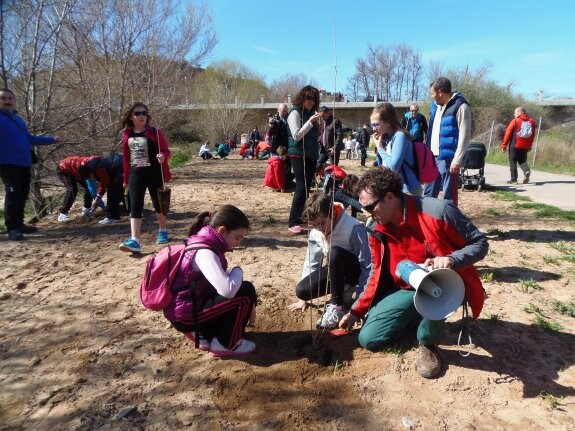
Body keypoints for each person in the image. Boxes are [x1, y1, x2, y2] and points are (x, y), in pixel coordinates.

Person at [339, 168, 488, 379]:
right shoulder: (376, 227)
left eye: (370, 207)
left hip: (446, 282)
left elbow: (480, 243)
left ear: (390, 197)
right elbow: (375, 272)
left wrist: (452, 259)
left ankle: (428, 342)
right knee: (369, 339)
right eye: (363, 208)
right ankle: (418, 314)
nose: (367, 213)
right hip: (407, 289)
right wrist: (356, 311)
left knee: (440, 289)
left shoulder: (439, 211)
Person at [163, 205, 257, 356]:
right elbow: (228, 290)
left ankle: (205, 334)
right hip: (185, 316)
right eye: (237, 237)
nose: (238, 243)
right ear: (222, 231)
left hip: (191, 306)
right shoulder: (205, 252)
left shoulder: (206, 243)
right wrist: (238, 270)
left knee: (243, 290)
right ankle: (226, 344)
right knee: (244, 292)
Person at [288, 192, 372, 329]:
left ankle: (338, 306)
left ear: (332, 213)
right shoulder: (316, 232)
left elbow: (367, 266)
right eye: (314, 225)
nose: (320, 228)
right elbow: (312, 261)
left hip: (354, 274)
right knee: (302, 291)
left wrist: (359, 303)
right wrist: (304, 299)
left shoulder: (353, 228)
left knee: (335, 252)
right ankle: (342, 291)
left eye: (322, 223)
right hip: (336, 272)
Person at [0, 88, 61, 240]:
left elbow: (30, 139)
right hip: (7, 163)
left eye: (10, 98)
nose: (8, 100)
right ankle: (12, 228)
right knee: (13, 193)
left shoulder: (18, 119)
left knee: (22, 193)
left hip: (24, 162)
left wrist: (51, 139)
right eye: (3, 98)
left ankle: (19, 223)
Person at [119, 102, 171, 254]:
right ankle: (135, 240)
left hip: (154, 172)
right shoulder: (127, 135)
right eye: (138, 113)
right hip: (136, 173)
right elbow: (126, 159)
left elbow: (166, 151)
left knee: (159, 204)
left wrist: (163, 157)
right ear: (131, 116)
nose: (141, 116)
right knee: (135, 205)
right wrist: (125, 179)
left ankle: (162, 230)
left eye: (144, 113)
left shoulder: (156, 133)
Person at [423, 77, 472, 207]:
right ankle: (428, 223)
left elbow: (465, 134)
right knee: (428, 194)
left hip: (449, 158)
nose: (432, 96)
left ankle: (450, 224)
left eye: (432, 93)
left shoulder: (461, 106)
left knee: (449, 196)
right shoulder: (435, 106)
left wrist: (457, 159)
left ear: (440, 92)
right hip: (432, 156)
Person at [286, 85, 322, 235]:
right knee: (301, 187)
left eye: (314, 99)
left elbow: (314, 138)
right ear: (302, 97)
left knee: (307, 188)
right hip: (298, 154)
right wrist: (310, 123)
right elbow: (297, 135)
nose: (311, 102)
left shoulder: (310, 114)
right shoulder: (295, 113)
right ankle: (293, 221)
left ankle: (300, 218)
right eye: (308, 98)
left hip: (310, 155)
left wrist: (318, 129)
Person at [371, 102, 422, 196]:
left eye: (377, 124)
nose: (374, 128)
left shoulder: (400, 136)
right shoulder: (386, 138)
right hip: (395, 189)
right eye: (372, 124)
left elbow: (394, 167)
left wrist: (380, 148)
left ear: (389, 122)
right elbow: (384, 165)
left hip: (408, 190)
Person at [79, 154, 124, 224]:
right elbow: (104, 181)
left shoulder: (98, 169)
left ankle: (113, 217)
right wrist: (98, 196)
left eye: (89, 178)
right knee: (118, 189)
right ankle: (132, 210)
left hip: (121, 168)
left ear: (90, 174)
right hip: (121, 166)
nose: (91, 179)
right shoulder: (92, 167)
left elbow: (107, 183)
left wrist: (99, 196)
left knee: (112, 191)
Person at [56, 156, 100, 223]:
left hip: (76, 170)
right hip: (64, 169)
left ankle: (87, 209)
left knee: (88, 187)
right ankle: (62, 214)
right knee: (72, 189)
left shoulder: (97, 164)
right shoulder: (86, 167)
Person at [501, 107, 536, 185]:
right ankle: (526, 171)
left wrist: (504, 145)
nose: (514, 114)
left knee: (513, 161)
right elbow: (532, 135)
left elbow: (508, 134)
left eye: (515, 113)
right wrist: (530, 145)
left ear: (520, 113)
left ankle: (514, 180)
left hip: (515, 145)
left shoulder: (515, 121)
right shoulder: (532, 122)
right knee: (522, 160)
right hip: (525, 146)